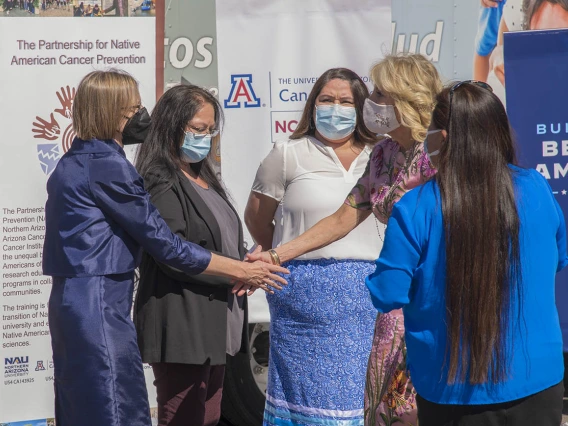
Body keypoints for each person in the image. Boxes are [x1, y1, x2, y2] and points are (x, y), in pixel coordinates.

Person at [43, 70, 288, 426]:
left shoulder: (74, 160)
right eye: (133, 110)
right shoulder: (108, 166)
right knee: (114, 404)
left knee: (81, 401)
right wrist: (240, 269)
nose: (143, 117)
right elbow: (167, 245)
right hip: (99, 301)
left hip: (75, 300)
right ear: (110, 113)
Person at [245, 53, 442, 426]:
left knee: (418, 404)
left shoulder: (438, 154)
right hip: (393, 299)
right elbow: (342, 218)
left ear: (408, 98)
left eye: (381, 94)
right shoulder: (383, 154)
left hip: (433, 294)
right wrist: (275, 254)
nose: (373, 103)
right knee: (385, 408)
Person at [367, 80, 568, 426]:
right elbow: (559, 258)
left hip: (452, 392)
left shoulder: (415, 207)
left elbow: (387, 293)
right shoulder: (535, 187)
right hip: (539, 383)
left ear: (442, 138)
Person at [244, 67, 381, 426]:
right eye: (327, 100)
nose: (335, 108)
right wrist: (282, 252)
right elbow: (258, 219)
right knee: (303, 407)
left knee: (365, 399)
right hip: (302, 304)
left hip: (368, 300)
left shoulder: (382, 156)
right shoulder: (287, 153)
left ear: (362, 108)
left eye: (345, 101)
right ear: (312, 105)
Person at [134, 85, 249, 426]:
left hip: (215, 321)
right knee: (183, 416)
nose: (205, 137)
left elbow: (217, 240)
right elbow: (173, 250)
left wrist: (246, 260)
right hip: (182, 318)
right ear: (171, 125)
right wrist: (236, 271)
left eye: (210, 130)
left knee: (209, 417)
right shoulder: (159, 177)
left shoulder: (202, 175)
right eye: (197, 129)